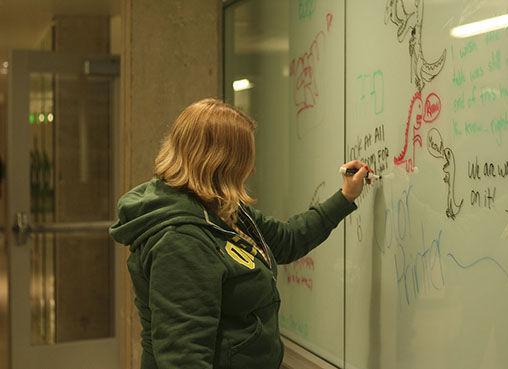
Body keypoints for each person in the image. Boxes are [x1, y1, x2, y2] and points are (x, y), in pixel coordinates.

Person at [109, 98, 370, 369]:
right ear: (221, 163)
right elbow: (183, 359)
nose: (251, 169)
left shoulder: (222, 211)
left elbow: (286, 240)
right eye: (245, 160)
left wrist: (345, 197)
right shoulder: (181, 240)